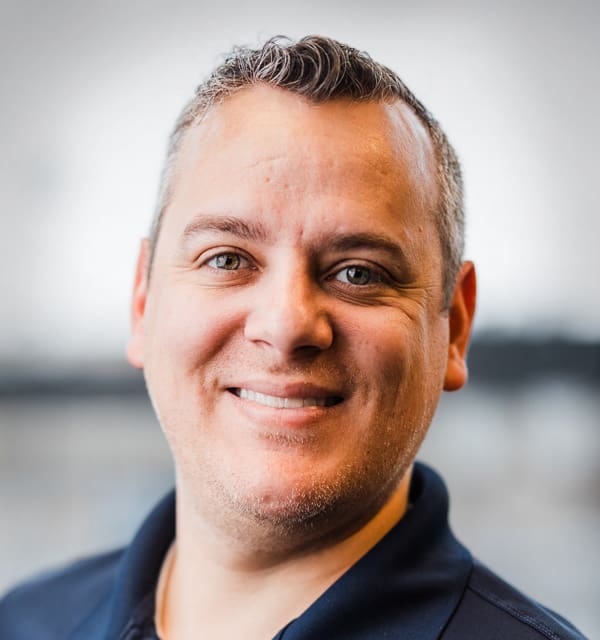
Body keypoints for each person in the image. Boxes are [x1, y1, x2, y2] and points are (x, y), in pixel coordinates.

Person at [0, 35, 586, 640]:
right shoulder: (24, 622)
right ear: (143, 303)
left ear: (455, 326)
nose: (286, 326)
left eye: (358, 273)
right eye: (227, 259)